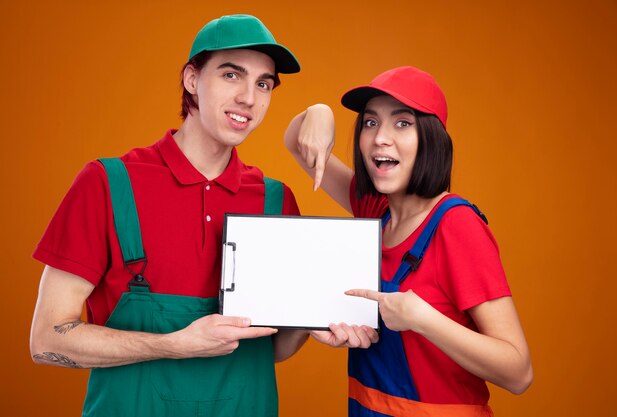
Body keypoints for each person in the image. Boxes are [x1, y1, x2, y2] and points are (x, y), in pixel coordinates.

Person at [30, 14, 309, 417]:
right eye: (232, 75)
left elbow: (273, 349)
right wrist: (172, 345)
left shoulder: (275, 201)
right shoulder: (108, 184)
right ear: (192, 80)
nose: (250, 97)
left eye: (263, 83)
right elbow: (46, 341)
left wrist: (316, 320)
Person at [284, 66, 533, 416]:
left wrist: (422, 319)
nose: (380, 138)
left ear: (431, 139)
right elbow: (297, 141)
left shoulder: (457, 225)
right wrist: (319, 113)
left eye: (402, 123)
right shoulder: (374, 210)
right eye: (370, 123)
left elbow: (519, 372)